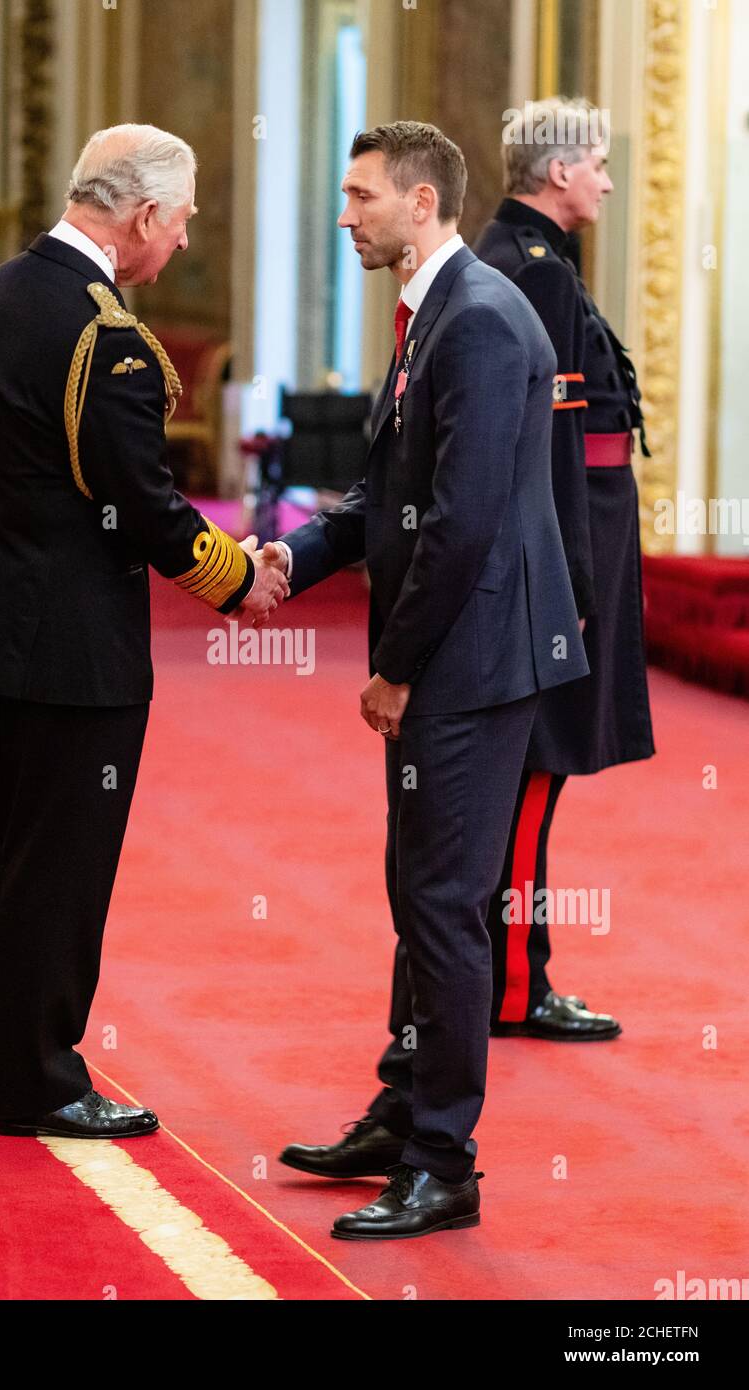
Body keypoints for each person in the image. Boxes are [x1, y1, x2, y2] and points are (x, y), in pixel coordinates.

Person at [0, 124, 287, 1141]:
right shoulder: (103, 333)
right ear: (142, 216)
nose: (183, 237)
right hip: (71, 651)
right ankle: (41, 1078)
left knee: (17, 860)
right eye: (184, 217)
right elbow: (145, 502)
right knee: (62, 869)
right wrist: (236, 578)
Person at [268, 122, 588, 1239]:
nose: (345, 214)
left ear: (421, 199)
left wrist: (397, 667)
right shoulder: (432, 316)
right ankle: (404, 1113)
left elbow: (461, 522)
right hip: (460, 648)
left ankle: (444, 1160)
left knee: (446, 908)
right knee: (423, 895)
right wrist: (287, 562)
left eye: (359, 195)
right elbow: (381, 494)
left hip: (475, 658)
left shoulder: (484, 321)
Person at [467, 97, 653, 1040]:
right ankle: (513, 986)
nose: (608, 182)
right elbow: (547, 447)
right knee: (536, 775)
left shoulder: (531, 262)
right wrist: (573, 585)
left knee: (537, 780)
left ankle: (518, 976)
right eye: (599, 164)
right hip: (564, 559)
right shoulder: (530, 274)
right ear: (558, 172)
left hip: (575, 548)